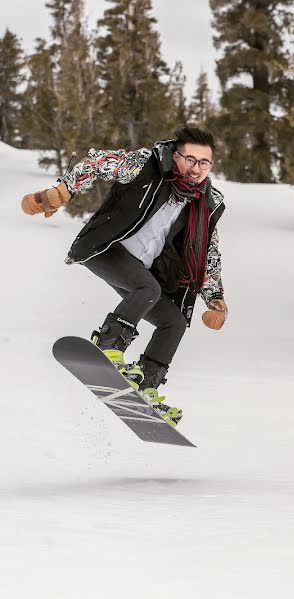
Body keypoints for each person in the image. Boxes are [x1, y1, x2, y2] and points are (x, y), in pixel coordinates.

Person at [21, 126, 228, 426]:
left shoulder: (206, 202)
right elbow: (97, 163)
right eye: (189, 159)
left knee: (174, 322)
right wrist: (62, 191)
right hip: (107, 248)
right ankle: (108, 346)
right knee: (147, 290)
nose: (196, 168)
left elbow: (208, 250)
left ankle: (145, 387)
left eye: (204, 163)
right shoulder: (147, 165)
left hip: (140, 267)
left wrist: (216, 298)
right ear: (176, 154)